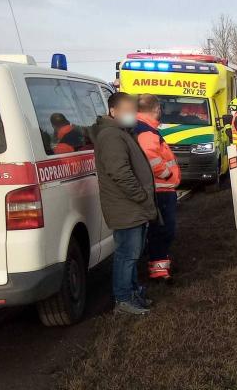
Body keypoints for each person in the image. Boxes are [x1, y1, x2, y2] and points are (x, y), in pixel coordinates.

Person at [90, 92, 157, 315]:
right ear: (113, 111)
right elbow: (120, 172)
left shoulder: (120, 132)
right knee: (127, 255)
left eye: (133, 111)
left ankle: (131, 293)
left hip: (131, 206)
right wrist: (141, 196)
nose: (132, 116)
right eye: (127, 111)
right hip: (126, 206)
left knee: (133, 253)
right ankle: (123, 299)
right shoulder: (111, 135)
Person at [134, 94, 181, 282]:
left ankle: (158, 267)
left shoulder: (143, 128)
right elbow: (151, 158)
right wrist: (167, 174)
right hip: (160, 190)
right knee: (163, 231)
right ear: (156, 109)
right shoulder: (146, 132)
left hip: (158, 189)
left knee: (158, 231)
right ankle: (159, 271)